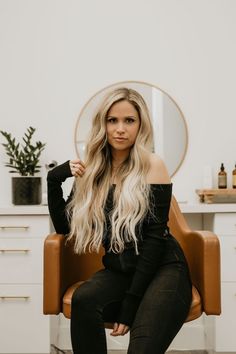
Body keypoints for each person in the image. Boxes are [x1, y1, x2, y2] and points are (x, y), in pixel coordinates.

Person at [47, 87, 192, 354]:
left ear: (141, 125)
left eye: (129, 120)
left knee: (141, 348)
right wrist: (54, 179)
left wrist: (130, 304)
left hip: (164, 267)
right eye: (112, 120)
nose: (120, 128)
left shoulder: (153, 165)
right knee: (84, 299)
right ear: (102, 124)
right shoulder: (92, 170)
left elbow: (154, 239)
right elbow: (65, 228)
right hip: (120, 269)